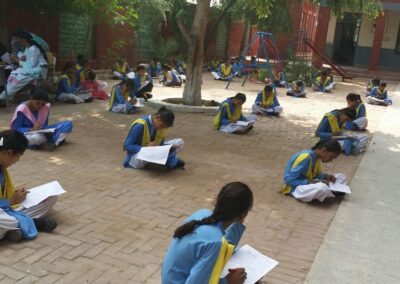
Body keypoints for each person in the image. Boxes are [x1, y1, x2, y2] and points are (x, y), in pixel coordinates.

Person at [162, 181, 253, 284]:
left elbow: (223, 243)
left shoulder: (202, 214)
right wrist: (228, 282)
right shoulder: (215, 242)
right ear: (243, 215)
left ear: (217, 199)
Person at [0, 129, 58, 242]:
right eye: (18, 156)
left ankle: (14, 228)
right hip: (3, 210)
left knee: (50, 198)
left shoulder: (1, 165)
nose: (17, 160)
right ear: (9, 153)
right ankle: (30, 223)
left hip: (6, 209)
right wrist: (10, 201)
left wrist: (16, 196)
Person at [281, 140, 349, 202]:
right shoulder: (305, 157)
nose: (331, 160)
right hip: (296, 188)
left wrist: (326, 176)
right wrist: (311, 182)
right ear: (324, 151)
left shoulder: (316, 158)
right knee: (322, 188)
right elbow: (288, 180)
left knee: (341, 177)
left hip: (309, 182)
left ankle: (329, 191)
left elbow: (316, 174)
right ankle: (330, 191)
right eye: (331, 157)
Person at [0, 30, 47, 104]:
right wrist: (20, 59)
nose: (15, 41)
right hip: (27, 70)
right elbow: (26, 60)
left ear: (23, 40)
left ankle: (2, 97)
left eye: (16, 39)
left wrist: (18, 60)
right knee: (12, 77)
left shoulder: (34, 49)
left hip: (35, 71)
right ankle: (6, 97)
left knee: (15, 83)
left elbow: (31, 66)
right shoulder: (28, 48)